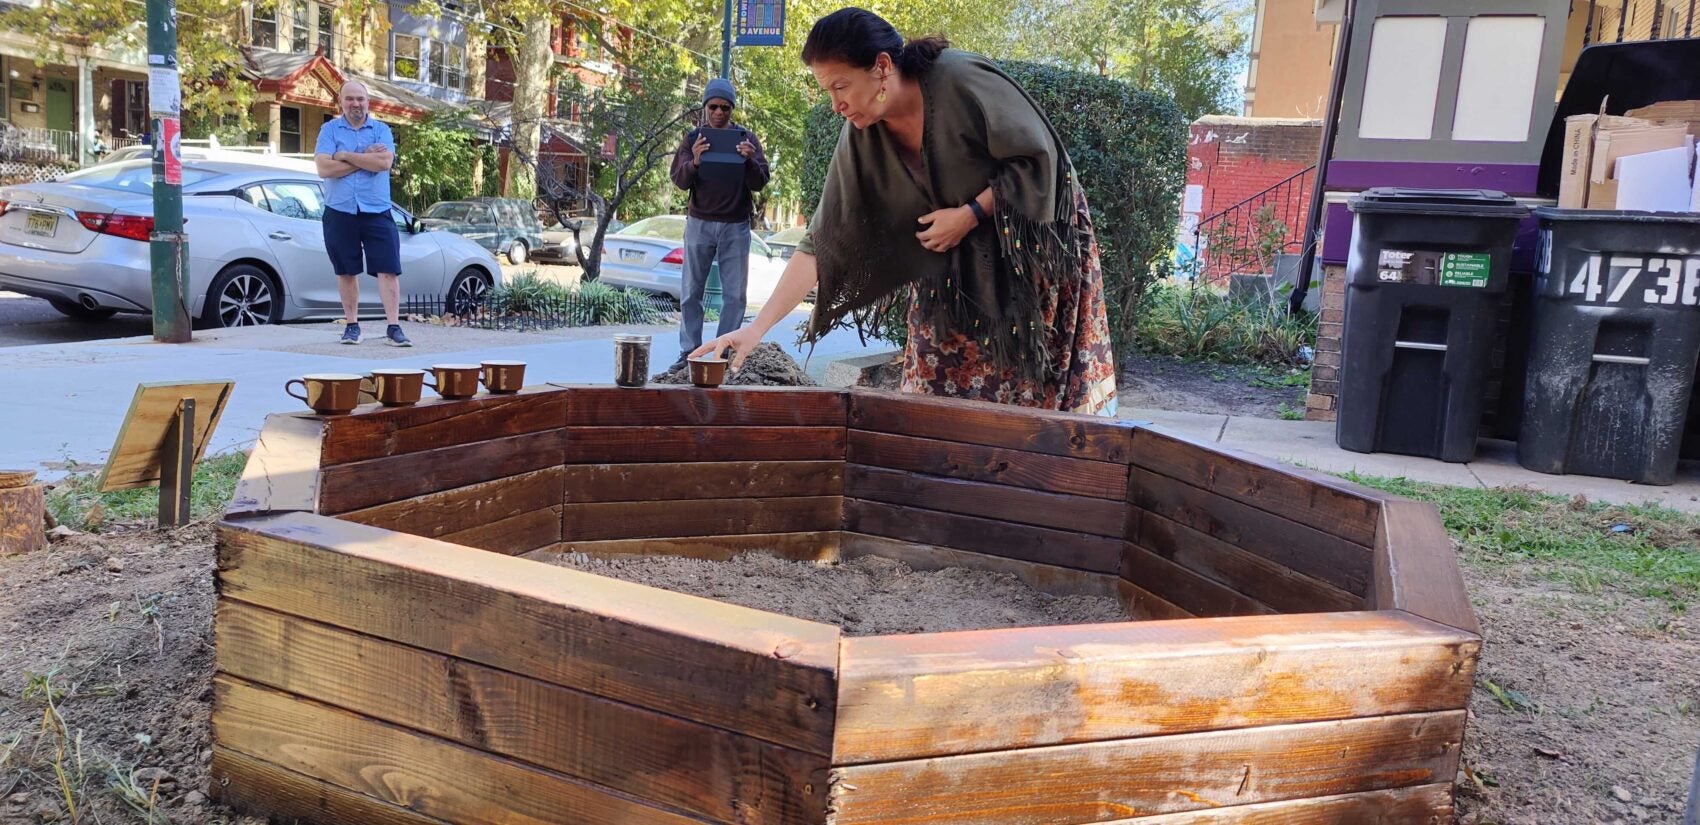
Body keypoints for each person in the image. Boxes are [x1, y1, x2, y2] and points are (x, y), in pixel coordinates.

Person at [693, 8, 1116, 415]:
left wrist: (970, 212)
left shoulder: (959, 78)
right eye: (828, 91)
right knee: (928, 395)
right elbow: (823, 240)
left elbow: (1039, 160)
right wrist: (756, 328)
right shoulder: (861, 133)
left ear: (880, 66)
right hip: (947, 274)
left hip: (1028, 252)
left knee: (1027, 397)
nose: (835, 104)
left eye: (841, 86)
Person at [669, 77, 770, 370]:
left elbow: (761, 181)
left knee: (735, 296)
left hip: (735, 225)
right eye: (713, 106)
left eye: (725, 107)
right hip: (700, 223)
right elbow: (678, 179)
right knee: (690, 293)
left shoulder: (746, 139)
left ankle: (723, 353)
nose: (719, 112)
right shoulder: (692, 140)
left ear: (732, 109)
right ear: (705, 108)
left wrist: (750, 161)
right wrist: (695, 161)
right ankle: (690, 352)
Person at [315, 80, 410, 347]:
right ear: (341, 102)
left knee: (388, 269)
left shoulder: (381, 130)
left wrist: (344, 155)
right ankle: (352, 326)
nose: (355, 104)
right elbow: (324, 169)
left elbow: (383, 162)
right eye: (350, 99)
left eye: (360, 99)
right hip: (340, 210)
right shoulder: (329, 130)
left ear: (368, 102)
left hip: (377, 209)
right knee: (346, 271)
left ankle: (393, 327)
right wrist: (362, 157)